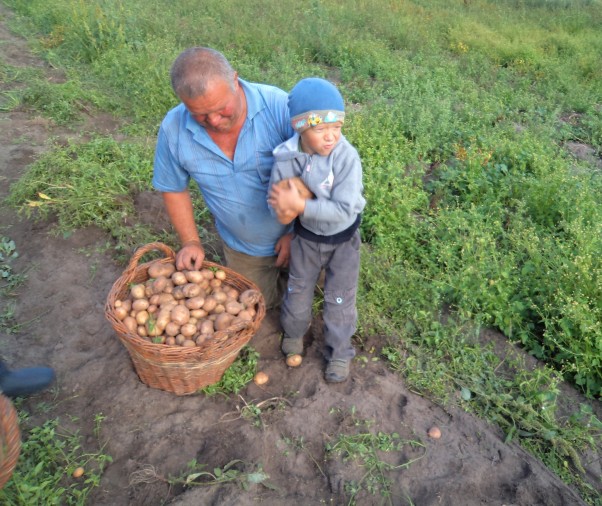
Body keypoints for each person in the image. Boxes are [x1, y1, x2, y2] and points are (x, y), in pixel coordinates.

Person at [152, 47, 295, 309]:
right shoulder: (174, 129)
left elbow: (320, 170)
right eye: (201, 115)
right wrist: (191, 242)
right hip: (244, 249)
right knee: (258, 307)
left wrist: (298, 232)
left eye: (221, 109)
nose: (215, 121)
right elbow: (173, 188)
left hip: (299, 235)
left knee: (316, 290)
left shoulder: (278, 107)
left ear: (235, 80)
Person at [267, 78, 366, 383]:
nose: (330, 137)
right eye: (321, 129)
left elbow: (346, 208)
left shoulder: (346, 157)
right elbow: (278, 202)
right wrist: (285, 208)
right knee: (298, 289)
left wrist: (302, 207)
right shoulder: (286, 156)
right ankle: (294, 334)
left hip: (343, 240)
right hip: (307, 239)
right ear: (300, 128)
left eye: (336, 128)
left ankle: (338, 352)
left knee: (340, 298)